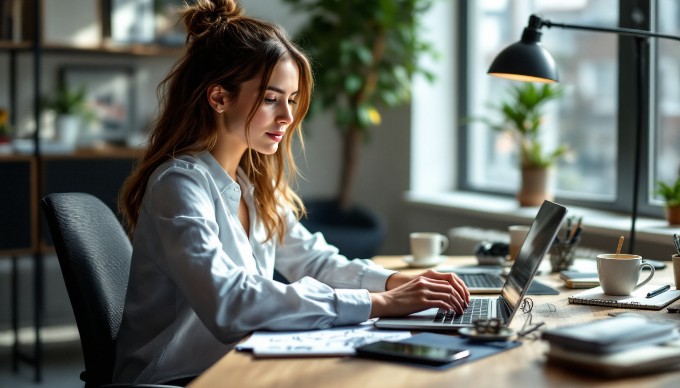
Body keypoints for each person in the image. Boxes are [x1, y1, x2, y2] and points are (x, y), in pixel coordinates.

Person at [113, 0, 470, 385]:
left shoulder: (250, 185)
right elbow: (229, 302)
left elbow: (314, 261)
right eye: (270, 99)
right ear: (219, 98)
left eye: (292, 100)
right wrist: (377, 303)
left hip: (242, 362)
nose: (287, 117)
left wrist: (393, 283)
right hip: (181, 378)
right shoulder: (179, 185)